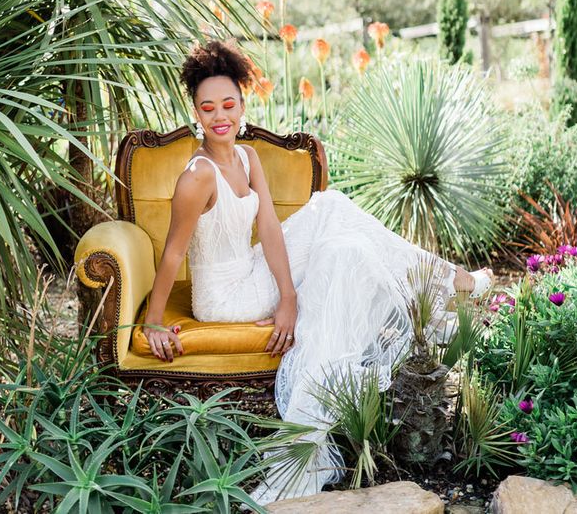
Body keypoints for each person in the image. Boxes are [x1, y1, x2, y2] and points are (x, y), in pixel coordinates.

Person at [142, 40, 492, 504]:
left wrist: (289, 298)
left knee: (344, 246)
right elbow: (171, 254)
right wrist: (151, 320)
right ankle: (452, 281)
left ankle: (445, 281)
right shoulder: (197, 177)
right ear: (196, 112)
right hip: (225, 297)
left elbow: (267, 225)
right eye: (208, 108)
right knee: (334, 214)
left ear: (243, 104)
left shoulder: (246, 157)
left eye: (229, 104)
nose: (219, 116)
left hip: (250, 271)